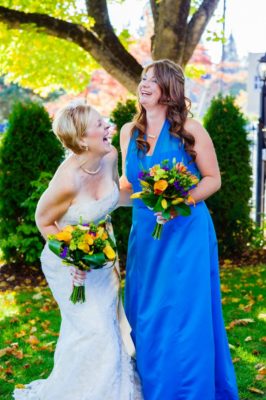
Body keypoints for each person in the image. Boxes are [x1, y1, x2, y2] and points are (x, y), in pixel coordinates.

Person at [119, 59, 239, 400]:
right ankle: (153, 387)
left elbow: (213, 180)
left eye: (152, 80)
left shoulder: (191, 129)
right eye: (142, 78)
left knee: (185, 311)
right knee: (147, 310)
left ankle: (189, 390)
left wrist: (179, 200)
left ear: (169, 90)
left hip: (186, 233)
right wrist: (94, 204)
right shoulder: (130, 132)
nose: (144, 84)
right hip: (146, 234)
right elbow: (128, 184)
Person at [14, 101, 143, 400]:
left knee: (108, 326)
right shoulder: (67, 179)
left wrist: (156, 199)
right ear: (82, 139)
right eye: (99, 125)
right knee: (92, 328)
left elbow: (115, 196)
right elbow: (44, 221)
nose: (107, 127)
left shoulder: (110, 156)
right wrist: (73, 258)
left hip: (102, 258)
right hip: (68, 264)